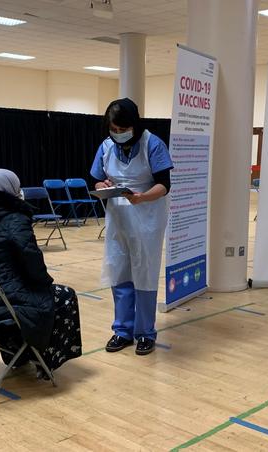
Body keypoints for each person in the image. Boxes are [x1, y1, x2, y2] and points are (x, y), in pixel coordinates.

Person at [0, 169, 81, 377]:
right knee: (63, 296)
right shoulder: (15, 219)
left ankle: (17, 354)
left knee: (39, 294)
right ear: (12, 190)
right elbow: (33, 264)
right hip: (2, 301)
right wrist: (45, 283)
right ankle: (44, 359)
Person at [89, 98, 173, 355]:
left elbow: (164, 184)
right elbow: (94, 179)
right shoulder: (105, 147)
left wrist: (141, 197)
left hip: (147, 215)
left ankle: (145, 332)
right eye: (113, 129)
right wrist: (101, 186)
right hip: (118, 219)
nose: (117, 134)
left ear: (133, 125)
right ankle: (122, 330)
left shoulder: (153, 144)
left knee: (144, 273)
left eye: (121, 129)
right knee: (120, 271)